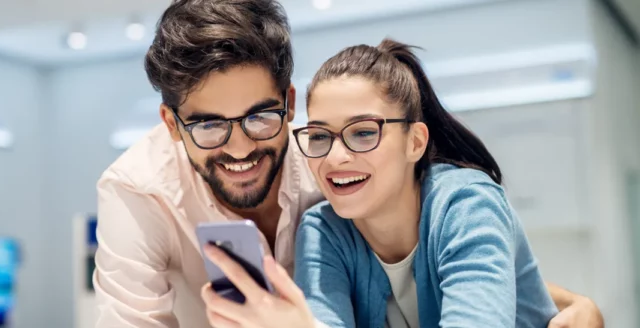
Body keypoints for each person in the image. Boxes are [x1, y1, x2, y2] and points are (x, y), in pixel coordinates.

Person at [93, 0, 603, 327]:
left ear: (288, 105)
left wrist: (563, 302)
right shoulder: (139, 191)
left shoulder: (326, 166)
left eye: (259, 117)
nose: (242, 147)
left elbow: (461, 261)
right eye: (208, 125)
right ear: (171, 122)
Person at [290, 38, 557, 327]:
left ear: (415, 142)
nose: (335, 156)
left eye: (364, 132)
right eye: (319, 136)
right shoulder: (323, 230)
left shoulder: (467, 204)